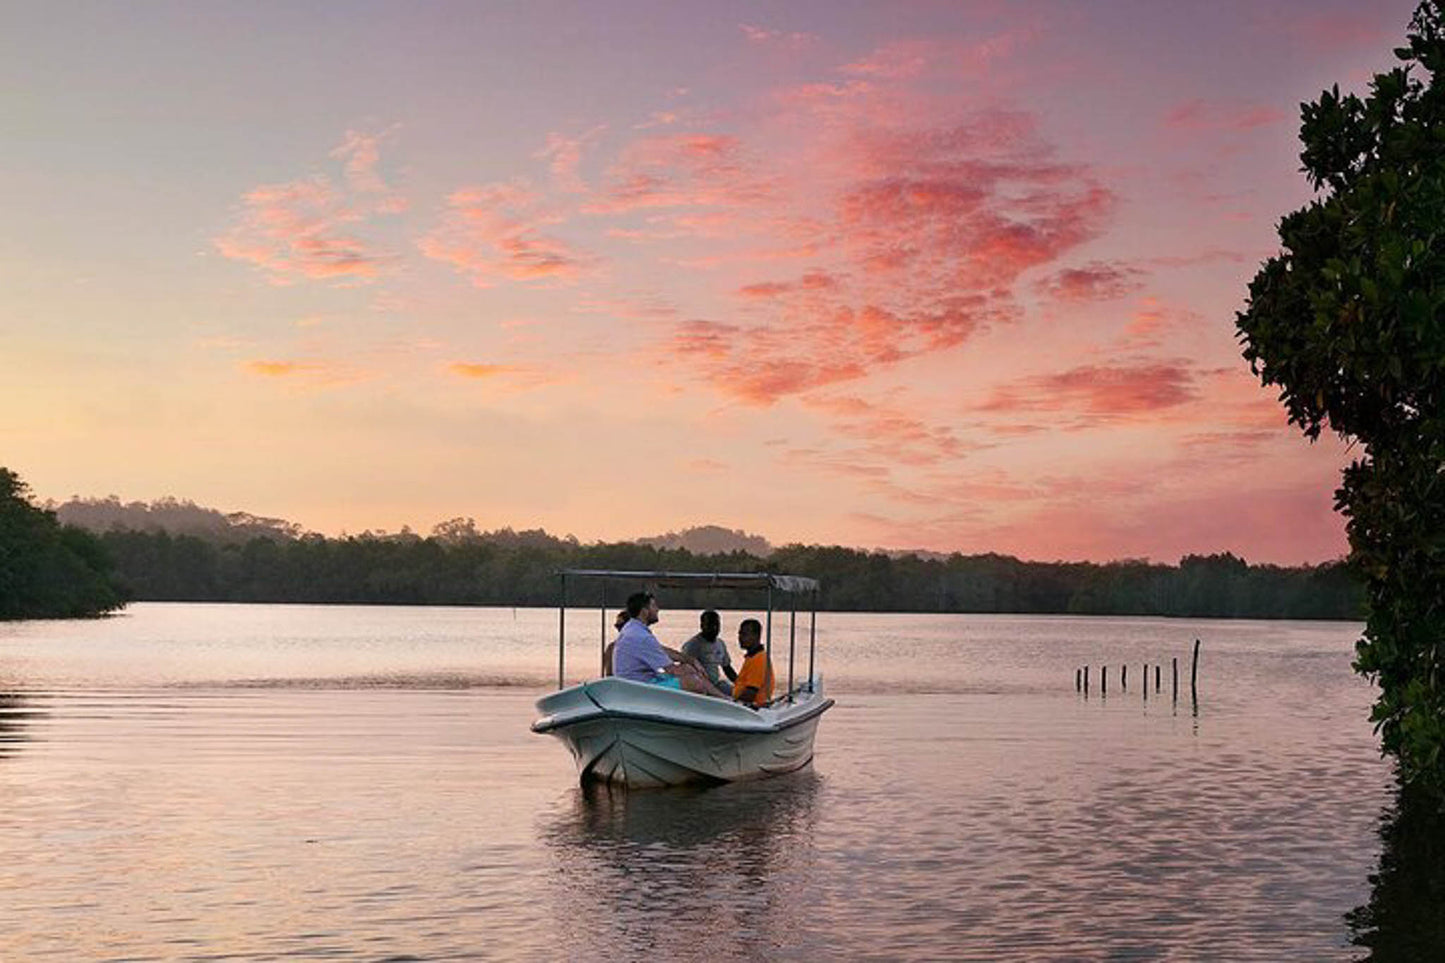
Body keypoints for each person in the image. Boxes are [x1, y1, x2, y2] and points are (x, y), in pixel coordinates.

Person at [612, 592, 719, 696]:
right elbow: (672, 670)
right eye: (653, 606)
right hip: (638, 688)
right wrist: (696, 675)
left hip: (640, 681)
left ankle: (723, 698)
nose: (657, 609)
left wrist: (691, 660)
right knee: (694, 682)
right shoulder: (641, 636)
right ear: (644, 611)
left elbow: (661, 650)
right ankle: (722, 700)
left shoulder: (633, 628)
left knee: (688, 669)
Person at [680, 609, 736, 697]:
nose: (714, 628)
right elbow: (684, 669)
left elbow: (727, 668)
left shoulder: (720, 643)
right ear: (702, 626)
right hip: (700, 687)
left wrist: (740, 684)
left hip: (717, 684)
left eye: (716, 625)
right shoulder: (693, 645)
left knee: (737, 693)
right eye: (710, 625)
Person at [732, 618, 774, 707]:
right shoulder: (752, 656)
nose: (740, 638)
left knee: (706, 686)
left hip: (751, 705)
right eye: (739, 634)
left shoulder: (759, 659)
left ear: (756, 636)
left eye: (744, 634)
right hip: (738, 694)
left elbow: (750, 694)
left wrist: (731, 703)